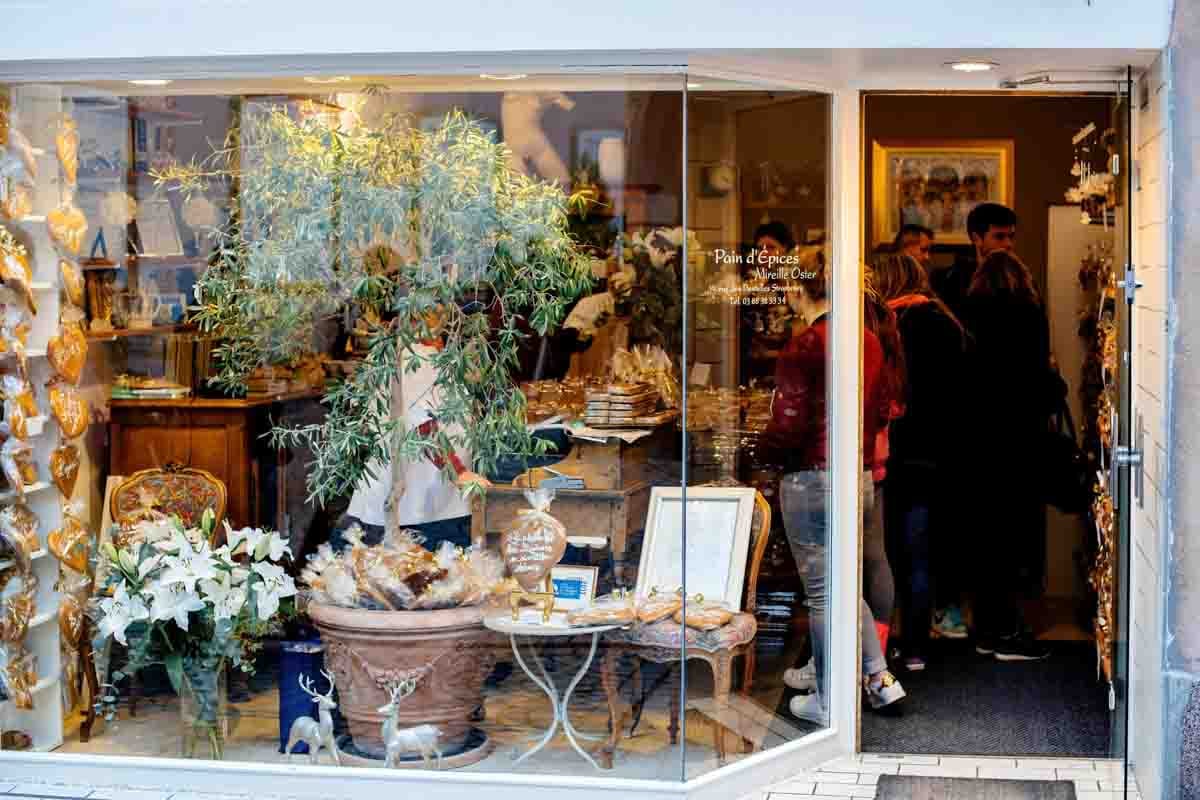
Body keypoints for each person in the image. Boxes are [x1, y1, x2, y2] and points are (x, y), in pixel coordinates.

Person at [763, 247, 906, 723]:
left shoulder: (806, 345)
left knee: (824, 592)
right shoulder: (866, 339)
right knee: (844, 586)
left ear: (798, 289)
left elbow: (788, 425)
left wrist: (764, 452)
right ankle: (879, 680)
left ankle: (829, 697)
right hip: (858, 474)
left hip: (812, 477)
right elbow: (880, 406)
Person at [871, 254, 967, 672]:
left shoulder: (883, 327)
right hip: (936, 452)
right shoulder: (947, 324)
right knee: (919, 552)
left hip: (892, 450)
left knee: (883, 554)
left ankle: (881, 646)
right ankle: (915, 647)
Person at [962, 250, 1059, 662]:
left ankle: (987, 627)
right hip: (1021, 440)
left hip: (980, 441)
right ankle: (1009, 632)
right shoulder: (1028, 315)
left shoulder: (967, 314)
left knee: (987, 538)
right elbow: (1041, 381)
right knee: (1018, 537)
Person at [341, 310, 491, 551]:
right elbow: (421, 425)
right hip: (419, 511)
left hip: (408, 504)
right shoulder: (417, 359)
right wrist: (458, 472)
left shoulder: (392, 356)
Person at [932, 202, 1017, 321]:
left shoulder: (1020, 281)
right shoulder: (950, 281)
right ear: (977, 239)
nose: (1008, 244)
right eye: (999, 237)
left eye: (1011, 237)